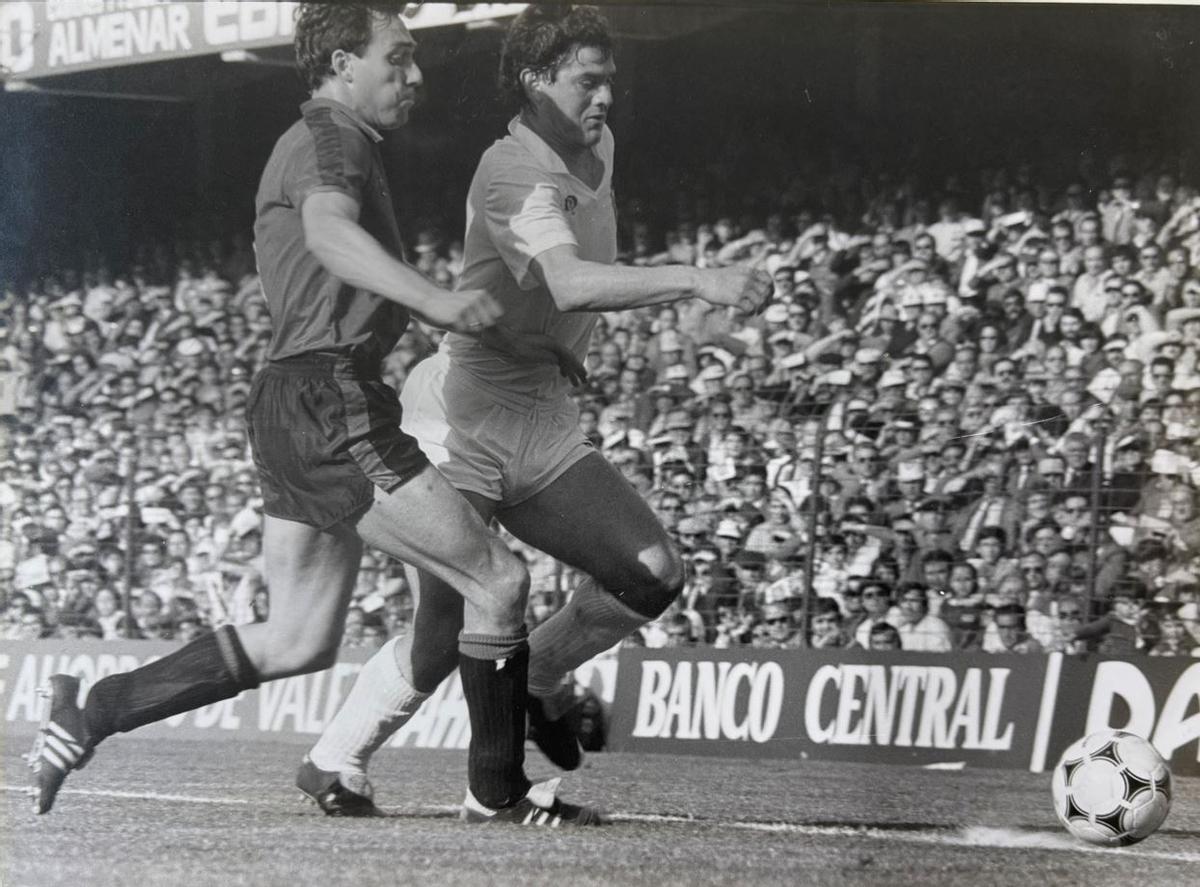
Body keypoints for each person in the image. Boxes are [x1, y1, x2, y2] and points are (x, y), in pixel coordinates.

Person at [30, 3, 603, 829]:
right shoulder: (332, 137)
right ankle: (498, 792)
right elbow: (329, 233)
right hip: (330, 398)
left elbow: (335, 272)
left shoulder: (331, 140)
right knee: (496, 580)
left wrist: (506, 334)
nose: (415, 76)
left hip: (292, 400)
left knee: (298, 638)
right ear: (342, 64)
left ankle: (89, 711)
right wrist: (436, 299)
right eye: (397, 58)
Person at [301, 4, 771, 811]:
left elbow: (566, 281)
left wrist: (562, 336)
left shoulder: (599, 146)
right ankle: (337, 761)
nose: (605, 97)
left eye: (609, 80)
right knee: (446, 627)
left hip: (542, 412)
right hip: (463, 417)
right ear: (534, 81)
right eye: (587, 82)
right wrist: (699, 278)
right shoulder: (512, 170)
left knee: (652, 573)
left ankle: (538, 674)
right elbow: (570, 280)